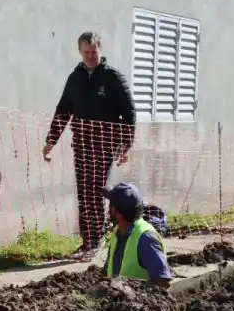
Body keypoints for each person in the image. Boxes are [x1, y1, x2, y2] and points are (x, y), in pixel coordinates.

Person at [44, 32, 137, 258]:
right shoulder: (74, 79)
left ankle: (97, 240)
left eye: (94, 52)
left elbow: (129, 113)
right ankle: (89, 241)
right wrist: (50, 141)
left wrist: (126, 145)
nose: (90, 56)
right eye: (86, 52)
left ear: (100, 51)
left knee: (94, 192)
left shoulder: (113, 78)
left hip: (104, 144)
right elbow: (63, 111)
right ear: (80, 52)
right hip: (82, 144)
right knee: (83, 194)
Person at [102, 183, 173, 286]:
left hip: (137, 301)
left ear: (114, 210)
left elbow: (162, 281)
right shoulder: (118, 232)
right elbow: (108, 269)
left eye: (110, 204)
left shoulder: (146, 239)